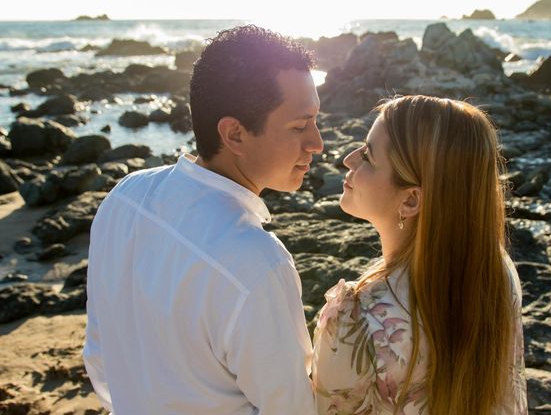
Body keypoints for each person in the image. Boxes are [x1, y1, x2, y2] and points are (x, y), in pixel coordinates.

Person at [83, 25, 323, 414]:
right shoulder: (257, 263)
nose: (317, 143)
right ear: (235, 134)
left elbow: (99, 352)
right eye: (299, 126)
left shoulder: (125, 197)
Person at [312, 95, 527, 414]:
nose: (348, 159)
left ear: (411, 201)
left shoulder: (356, 319)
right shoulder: (494, 269)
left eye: (368, 156)